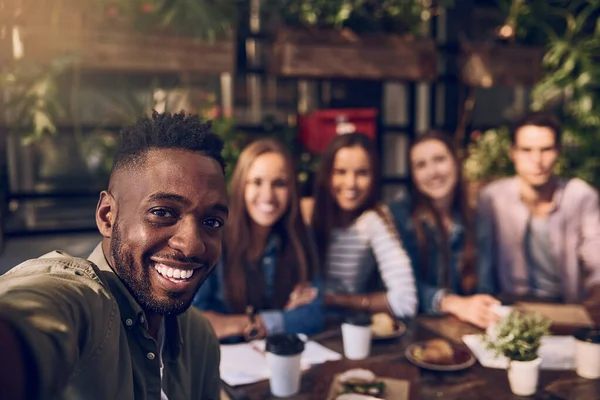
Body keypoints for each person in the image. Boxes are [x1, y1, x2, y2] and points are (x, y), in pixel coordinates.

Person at [0, 111, 227, 399]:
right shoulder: (83, 303)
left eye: (212, 222)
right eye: (162, 212)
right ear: (108, 216)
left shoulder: (199, 337)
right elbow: (31, 308)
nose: (192, 245)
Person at [193, 138, 323, 341]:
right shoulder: (212, 236)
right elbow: (194, 322)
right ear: (241, 187)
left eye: (279, 183)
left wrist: (245, 324)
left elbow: (313, 315)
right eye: (257, 182)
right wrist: (271, 321)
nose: (268, 195)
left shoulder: (301, 236)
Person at [478, 111, 600, 305]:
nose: (537, 160)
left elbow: (596, 255)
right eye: (526, 150)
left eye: (546, 149)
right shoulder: (493, 198)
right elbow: (483, 262)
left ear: (558, 151)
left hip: (566, 306)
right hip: (509, 306)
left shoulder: (581, 196)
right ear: (513, 153)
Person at [389, 131, 500, 328]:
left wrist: (480, 306)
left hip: (465, 328)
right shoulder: (400, 216)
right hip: (414, 329)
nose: (432, 172)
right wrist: (452, 303)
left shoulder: (477, 217)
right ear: (413, 175)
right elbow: (405, 289)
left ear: (456, 163)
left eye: (439, 160)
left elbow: (484, 285)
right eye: (421, 165)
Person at [307, 132, 417, 318]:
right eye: (340, 172)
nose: (351, 183)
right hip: (301, 323)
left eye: (362, 173)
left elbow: (405, 302)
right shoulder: (309, 213)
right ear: (326, 175)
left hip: (343, 326)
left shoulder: (373, 220)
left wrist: (335, 299)